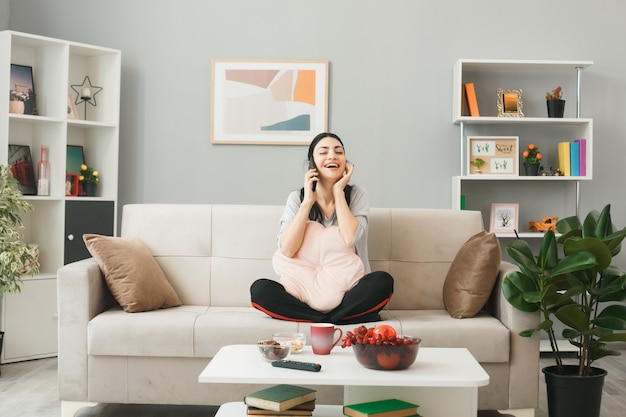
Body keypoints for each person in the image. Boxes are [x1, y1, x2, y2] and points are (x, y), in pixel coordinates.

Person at [250, 132, 394, 324]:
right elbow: (287, 249)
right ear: (313, 164)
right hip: (301, 294)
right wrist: (307, 203)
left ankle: (321, 319)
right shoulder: (297, 198)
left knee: (383, 282)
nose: (332, 156)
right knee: (260, 290)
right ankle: (332, 319)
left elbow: (351, 238)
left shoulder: (358, 195)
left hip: (350, 291)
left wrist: (339, 193)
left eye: (339, 151)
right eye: (323, 152)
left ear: (345, 162)